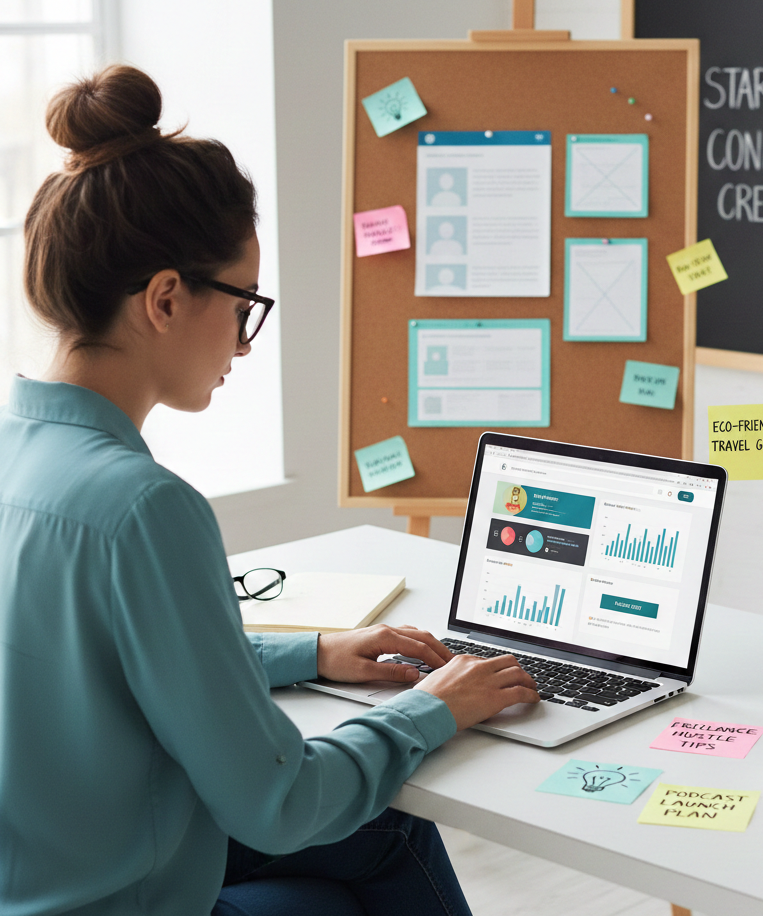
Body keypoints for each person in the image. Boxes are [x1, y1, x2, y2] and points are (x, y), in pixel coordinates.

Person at [0, 65, 539, 916]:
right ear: (166, 300)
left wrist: (312, 655)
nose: (245, 344)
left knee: (375, 839)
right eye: (244, 303)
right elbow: (279, 805)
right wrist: (432, 709)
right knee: (376, 843)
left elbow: (115, 668)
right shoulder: (143, 508)